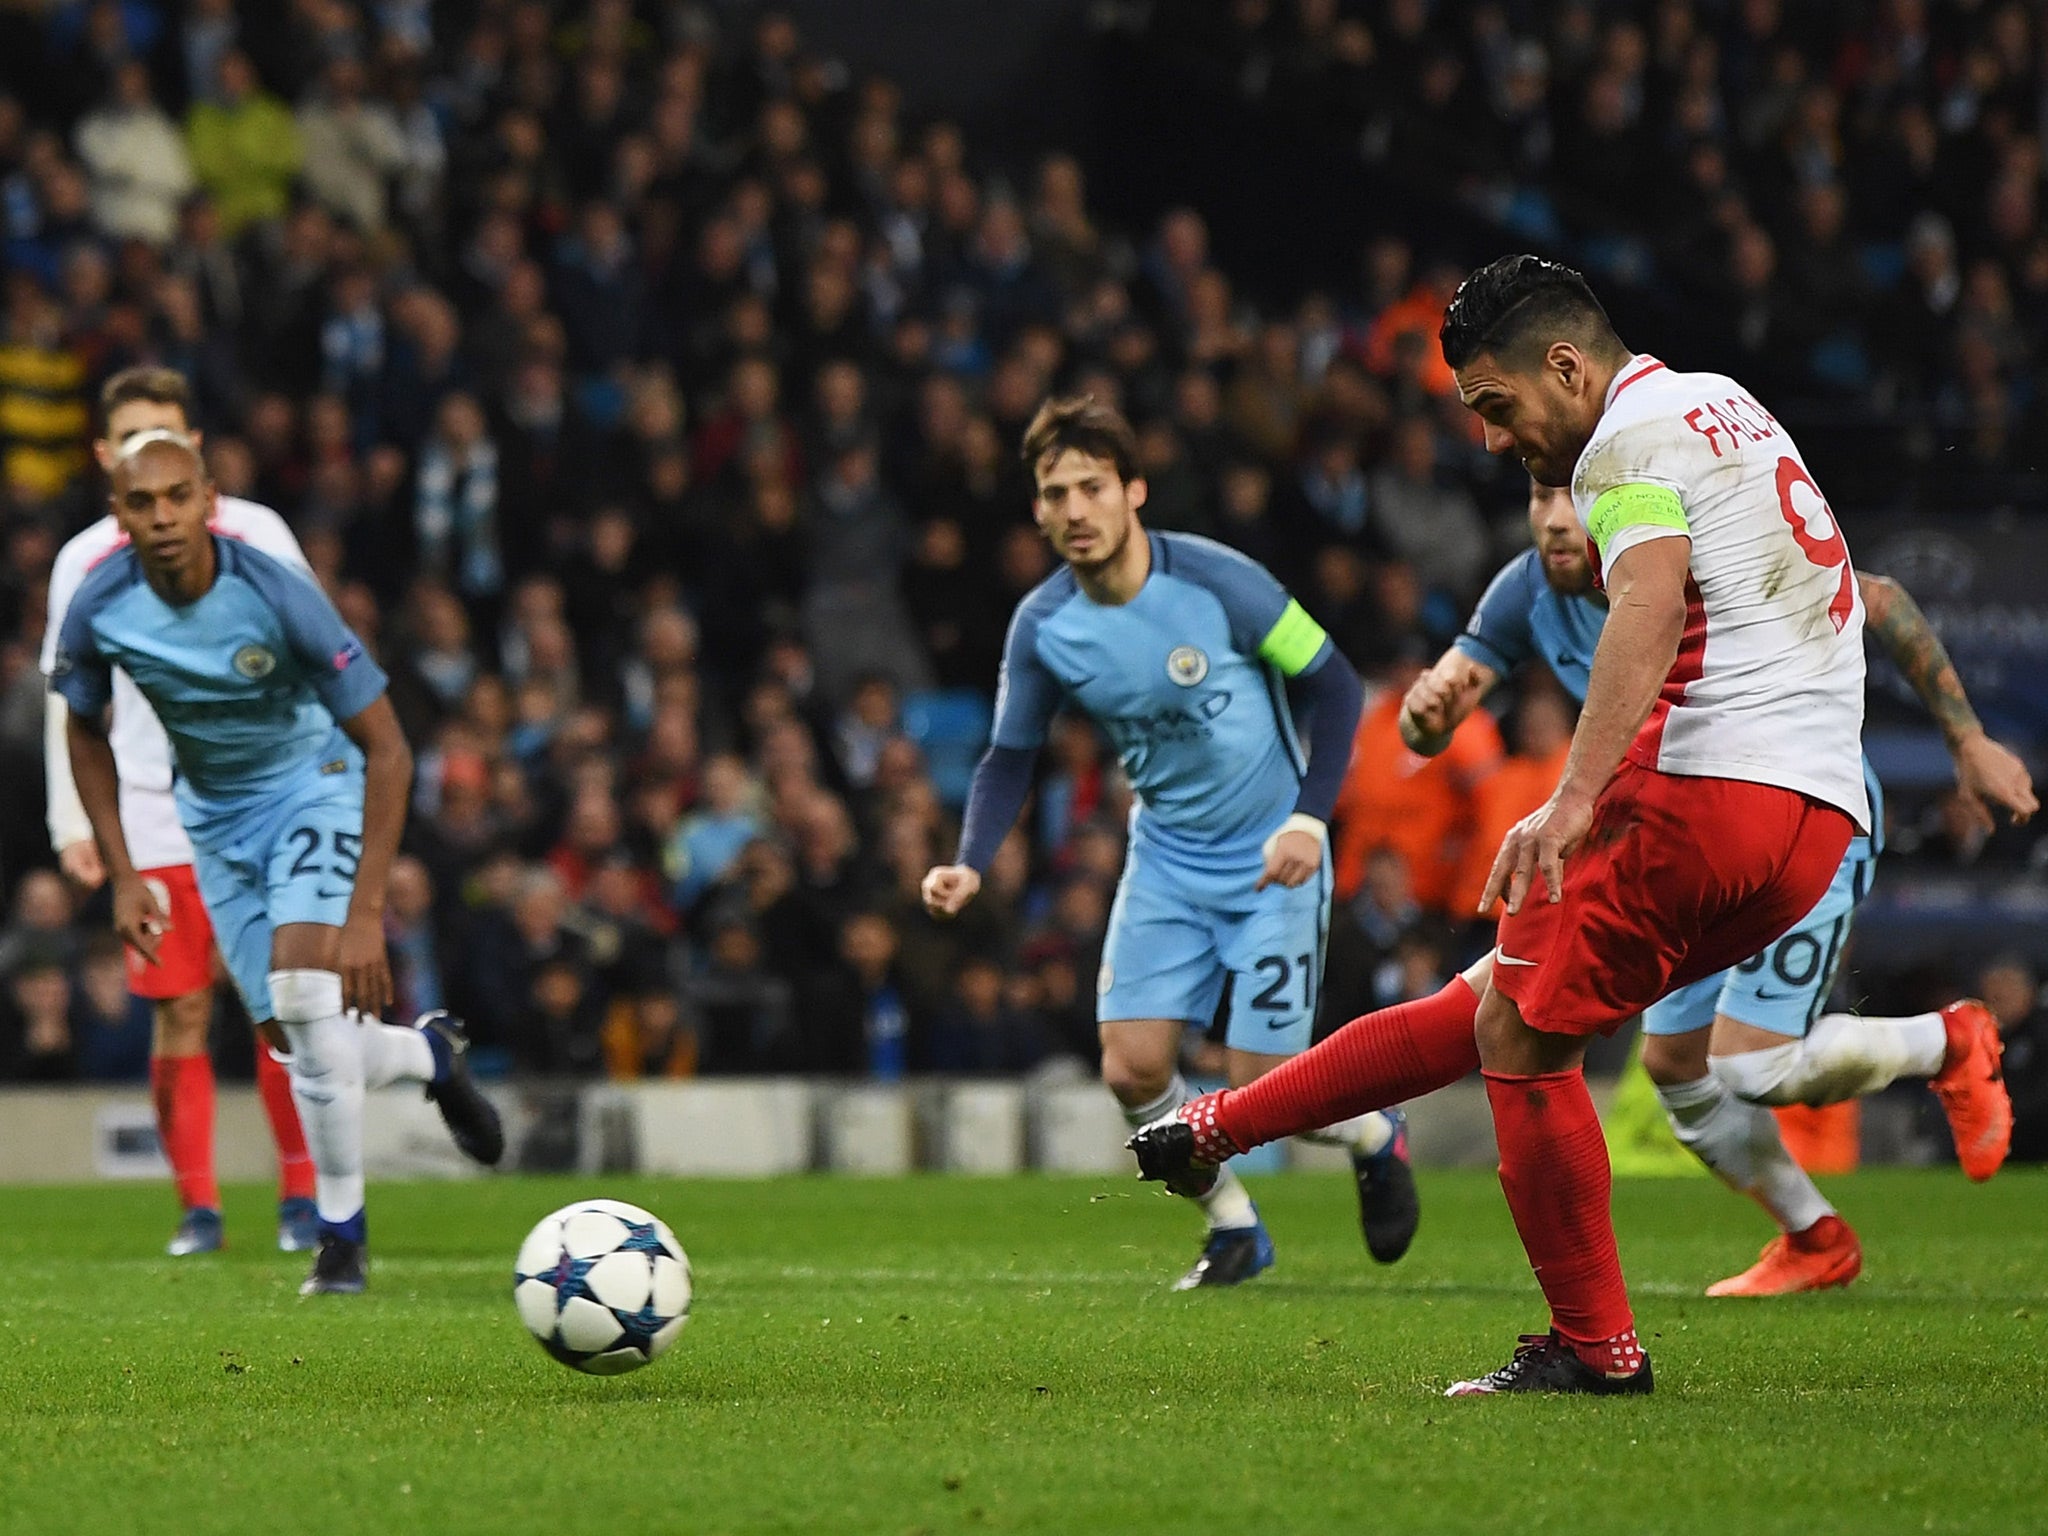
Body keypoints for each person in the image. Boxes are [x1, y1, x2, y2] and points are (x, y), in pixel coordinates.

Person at [1133, 255, 2010, 1393]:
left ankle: (1595, 1347)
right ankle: (1219, 1126)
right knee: (1495, 1006)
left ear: (1564, 365)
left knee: (1521, 1043)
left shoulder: (1622, 442)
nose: (1492, 441)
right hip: (1811, 821)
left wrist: (1575, 794)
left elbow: (1644, 599)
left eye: (1495, 408)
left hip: (1698, 793)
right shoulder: (1722, 402)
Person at [1405, 476, 2034, 1293]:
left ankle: (1950, 1041)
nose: (1556, 521)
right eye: (1537, 499)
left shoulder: (1693, 560)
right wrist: (1425, 712)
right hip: (1682, 841)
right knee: (1675, 1066)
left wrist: (1967, 738)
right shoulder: (1526, 589)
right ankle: (1815, 1238)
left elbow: (1876, 598)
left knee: (1753, 1068)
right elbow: (1443, 698)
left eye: (1572, 500)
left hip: (1804, 815)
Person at [921, 395, 1417, 1290]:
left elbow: (1337, 686)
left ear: (1133, 491)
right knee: (1133, 1067)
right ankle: (1232, 1225)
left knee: (1272, 1092)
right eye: (1054, 492)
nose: (1074, 509)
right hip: (1168, 862)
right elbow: (1009, 754)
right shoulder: (1044, 627)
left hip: (1275, 857)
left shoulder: (1224, 584)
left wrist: (1310, 815)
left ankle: (1376, 1132)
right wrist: (969, 859)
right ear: (1036, 509)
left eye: (1091, 487)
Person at [52, 427, 503, 1296]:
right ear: (119, 516)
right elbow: (81, 725)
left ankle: (340, 1238)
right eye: (141, 503)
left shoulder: (274, 591)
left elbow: (391, 748)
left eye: (178, 496)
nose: (163, 517)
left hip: (315, 784)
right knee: (300, 1041)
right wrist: (121, 871)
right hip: (212, 822)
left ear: (209, 500)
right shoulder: (101, 604)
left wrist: (366, 914)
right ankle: (430, 1060)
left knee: (302, 994)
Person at [42, 367, 323, 1256]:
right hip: (151, 817)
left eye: (163, 434)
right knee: (183, 1012)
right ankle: (198, 1208)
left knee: (282, 1002)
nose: (148, 456)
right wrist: (73, 823)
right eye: (129, 441)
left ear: (196, 448)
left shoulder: (261, 535)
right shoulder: (82, 563)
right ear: (104, 458)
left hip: (263, 807)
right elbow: (70, 709)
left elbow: (319, 660)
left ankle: (302, 1195)